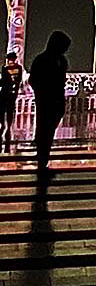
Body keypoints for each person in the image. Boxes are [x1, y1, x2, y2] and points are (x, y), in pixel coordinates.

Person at [28, 31, 70, 178]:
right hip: (46, 100)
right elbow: (33, 80)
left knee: (49, 130)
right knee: (44, 130)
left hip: (57, 100)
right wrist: (43, 92)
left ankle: (43, 160)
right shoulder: (42, 60)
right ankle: (42, 161)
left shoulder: (62, 61)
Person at [1, 51, 24, 148]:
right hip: (7, 92)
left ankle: (7, 126)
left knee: (8, 110)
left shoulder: (16, 68)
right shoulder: (6, 68)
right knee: (4, 110)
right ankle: (4, 125)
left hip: (9, 92)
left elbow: (17, 80)